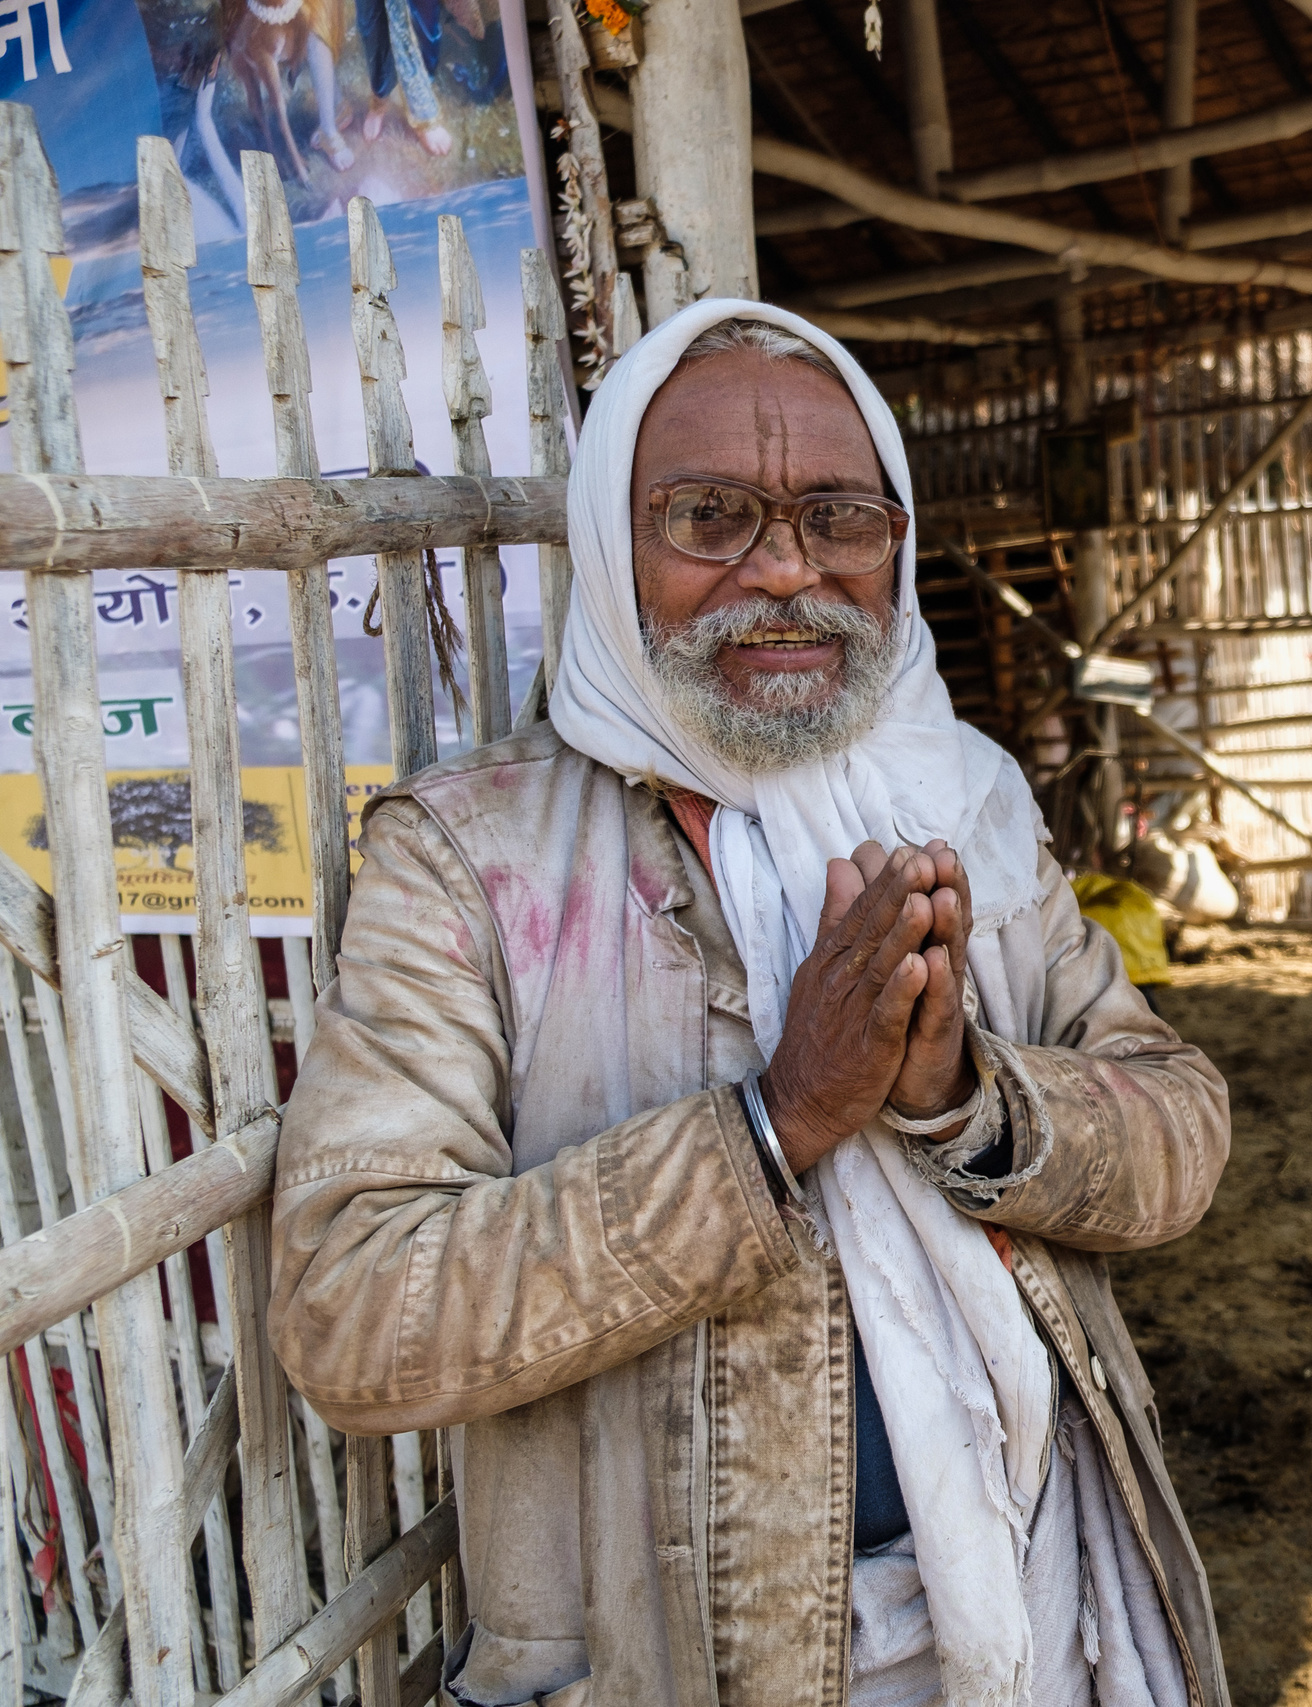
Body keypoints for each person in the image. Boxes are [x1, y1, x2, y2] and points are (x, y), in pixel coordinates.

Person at [269, 300, 1231, 1707]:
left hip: (1039, 1602)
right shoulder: (474, 855)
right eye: (710, 516)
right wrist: (773, 1130)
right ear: (611, 546)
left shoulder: (965, 798)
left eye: (839, 515)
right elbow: (354, 1315)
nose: (786, 570)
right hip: (662, 1664)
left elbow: (1183, 1132)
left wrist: (966, 1096)